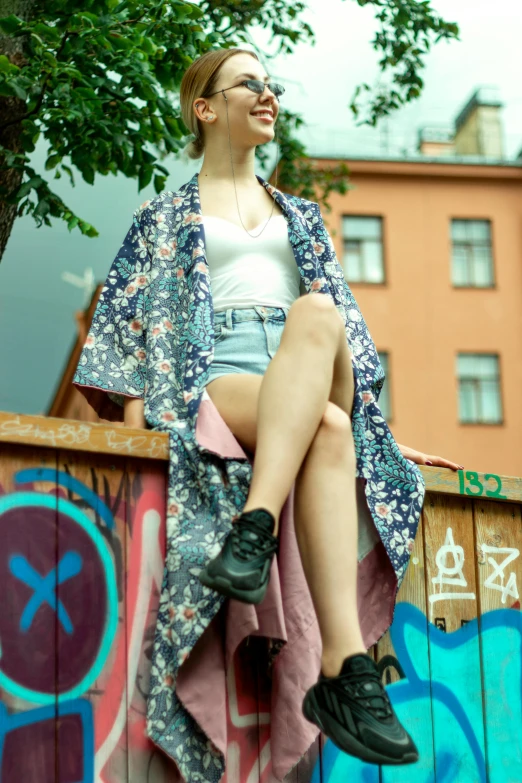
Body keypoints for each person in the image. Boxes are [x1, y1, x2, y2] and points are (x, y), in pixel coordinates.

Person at [74, 46, 463, 781]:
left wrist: (393, 444)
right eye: (250, 83)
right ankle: (346, 673)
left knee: (318, 318)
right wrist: (130, 440)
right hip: (220, 377)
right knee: (334, 429)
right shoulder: (162, 220)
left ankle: (253, 526)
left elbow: (346, 340)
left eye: (272, 84)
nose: (268, 94)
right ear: (205, 107)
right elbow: (126, 342)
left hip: (311, 364)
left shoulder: (303, 218)